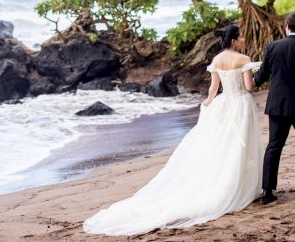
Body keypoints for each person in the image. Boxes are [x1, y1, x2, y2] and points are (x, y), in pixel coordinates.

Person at [83, 24, 262, 237]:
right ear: (234, 40)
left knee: (223, 145)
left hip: (224, 104)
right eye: (241, 37)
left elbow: (213, 90)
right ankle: (240, 186)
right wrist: (257, 75)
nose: (243, 39)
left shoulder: (216, 60)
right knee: (239, 144)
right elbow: (250, 87)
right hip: (240, 104)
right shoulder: (243, 59)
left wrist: (208, 103)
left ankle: (230, 182)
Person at [255, 12, 295, 205]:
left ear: (287, 27)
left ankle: (267, 192)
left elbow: (262, 76)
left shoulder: (273, 46)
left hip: (278, 104)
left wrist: (248, 81)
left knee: (274, 147)